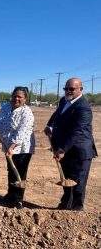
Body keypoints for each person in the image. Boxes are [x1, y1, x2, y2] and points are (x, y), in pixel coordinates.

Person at [44, 78, 98, 211]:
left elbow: (77, 131)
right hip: (65, 148)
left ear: (81, 89)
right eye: (66, 88)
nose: (68, 91)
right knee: (66, 180)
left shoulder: (83, 107)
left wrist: (62, 149)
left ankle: (75, 211)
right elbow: (57, 113)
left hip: (79, 151)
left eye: (71, 89)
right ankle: (65, 206)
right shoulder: (64, 100)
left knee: (77, 183)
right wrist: (49, 125)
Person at [0, 86, 35, 209]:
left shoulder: (27, 112)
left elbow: (22, 132)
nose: (16, 99)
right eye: (15, 96)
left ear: (25, 99)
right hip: (8, 144)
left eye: (20, 97)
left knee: (20, 172)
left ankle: (18, 199)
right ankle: (10, 195)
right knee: (11, 170)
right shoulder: (5, 107)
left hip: (22, 147)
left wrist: (12, 147)